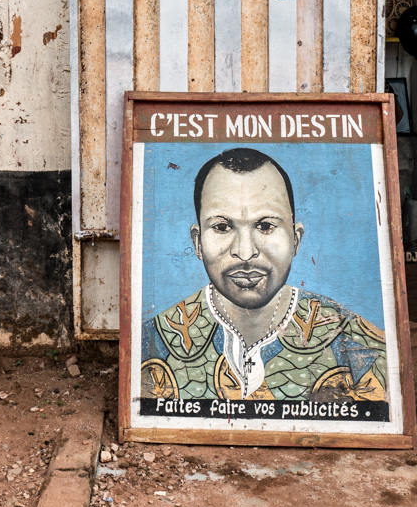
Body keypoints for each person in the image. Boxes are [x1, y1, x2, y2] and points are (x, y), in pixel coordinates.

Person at [142, 148, 390, 403]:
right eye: (222, 227)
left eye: (266, 226)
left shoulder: (362, 348)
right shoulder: (151, 342)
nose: (246, 253)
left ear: (295, 239)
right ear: (197, 243)